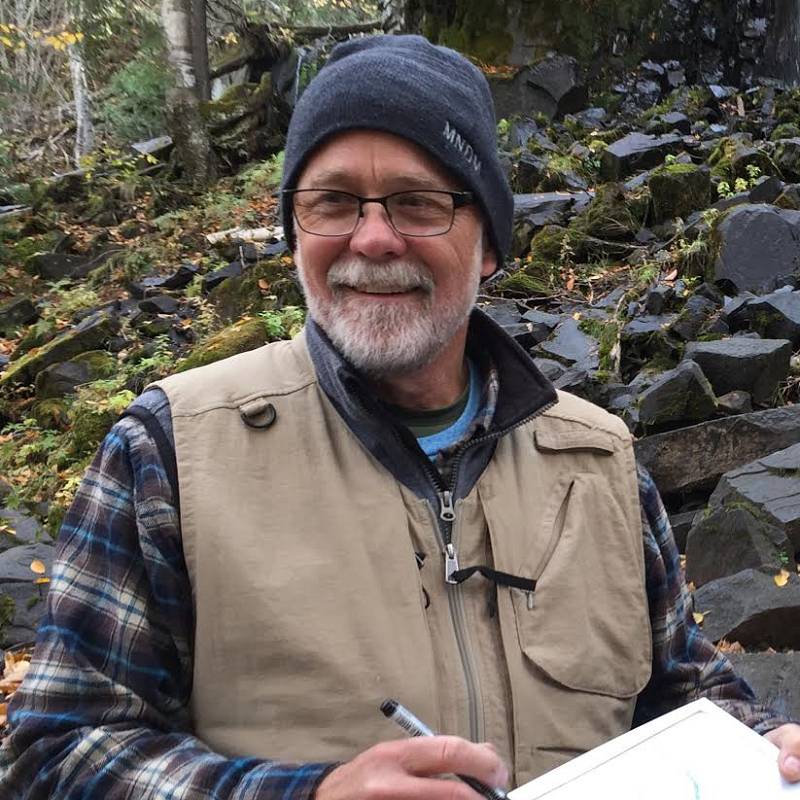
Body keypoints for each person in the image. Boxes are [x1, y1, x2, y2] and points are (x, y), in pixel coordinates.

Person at [2, 34, 800, 800]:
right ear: (294, 234)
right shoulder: (169, 453)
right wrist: (303, 795)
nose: (375, 238)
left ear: (488, 241)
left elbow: (685, 689)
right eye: (334, 201)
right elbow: (56, 754)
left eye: (419, 203)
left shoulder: (600, 460)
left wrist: (758, 742)